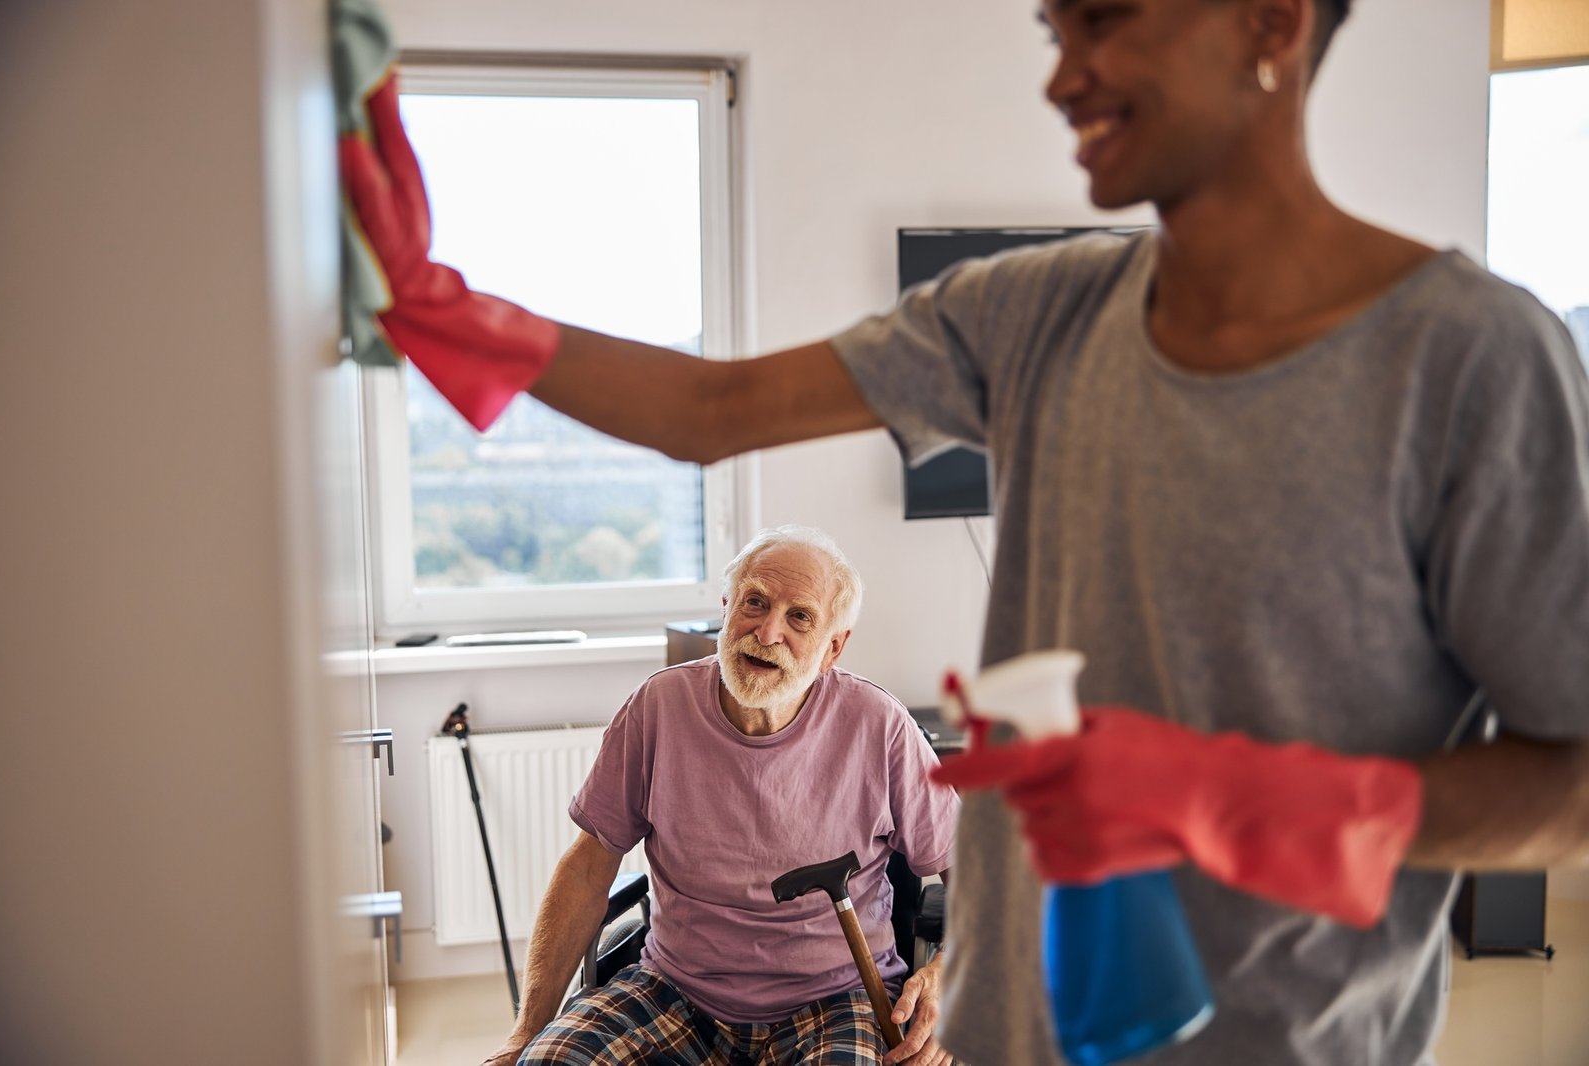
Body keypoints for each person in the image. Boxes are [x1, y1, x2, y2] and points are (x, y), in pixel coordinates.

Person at [347, 2, 1589, 1062]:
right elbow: (711, 406)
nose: (1059, 76)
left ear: (1272, 20)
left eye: (1103, 18)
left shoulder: (1471, 362)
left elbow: (1568, 776)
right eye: (1055, 28)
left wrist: (1263, 804)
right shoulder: (1038, 311)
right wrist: (444, 307)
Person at [481, 526, 959, 1066]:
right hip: (676, 990)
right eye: (755, 603)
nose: (767, 631)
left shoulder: (879, 727)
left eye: (799, 616)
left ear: (833, 646)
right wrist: (525, 1033)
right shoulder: (659, 708)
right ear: (728, 609)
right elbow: (588, 867)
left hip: (835, 997)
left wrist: (950, 975)